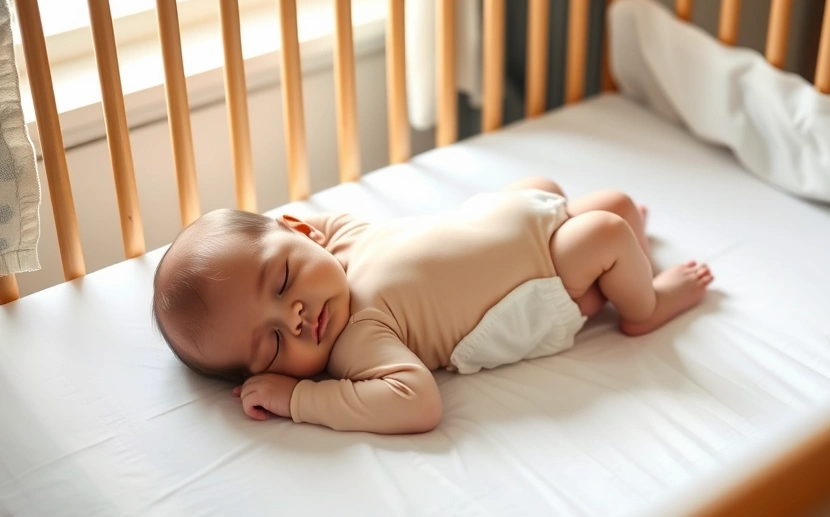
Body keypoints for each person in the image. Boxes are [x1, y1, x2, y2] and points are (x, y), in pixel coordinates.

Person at [153, 177, 713, 434]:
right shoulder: (359, 338)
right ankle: (646, 306)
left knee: (606, 203)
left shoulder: (338, 238)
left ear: (303, 233)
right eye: (273, 343)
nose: (294, 318)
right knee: (608, 233)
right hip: (543, 284)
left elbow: (284, 229)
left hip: (522, 223)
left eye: (280, 283)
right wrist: (300, 398)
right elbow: (417, 403)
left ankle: (627, 261)